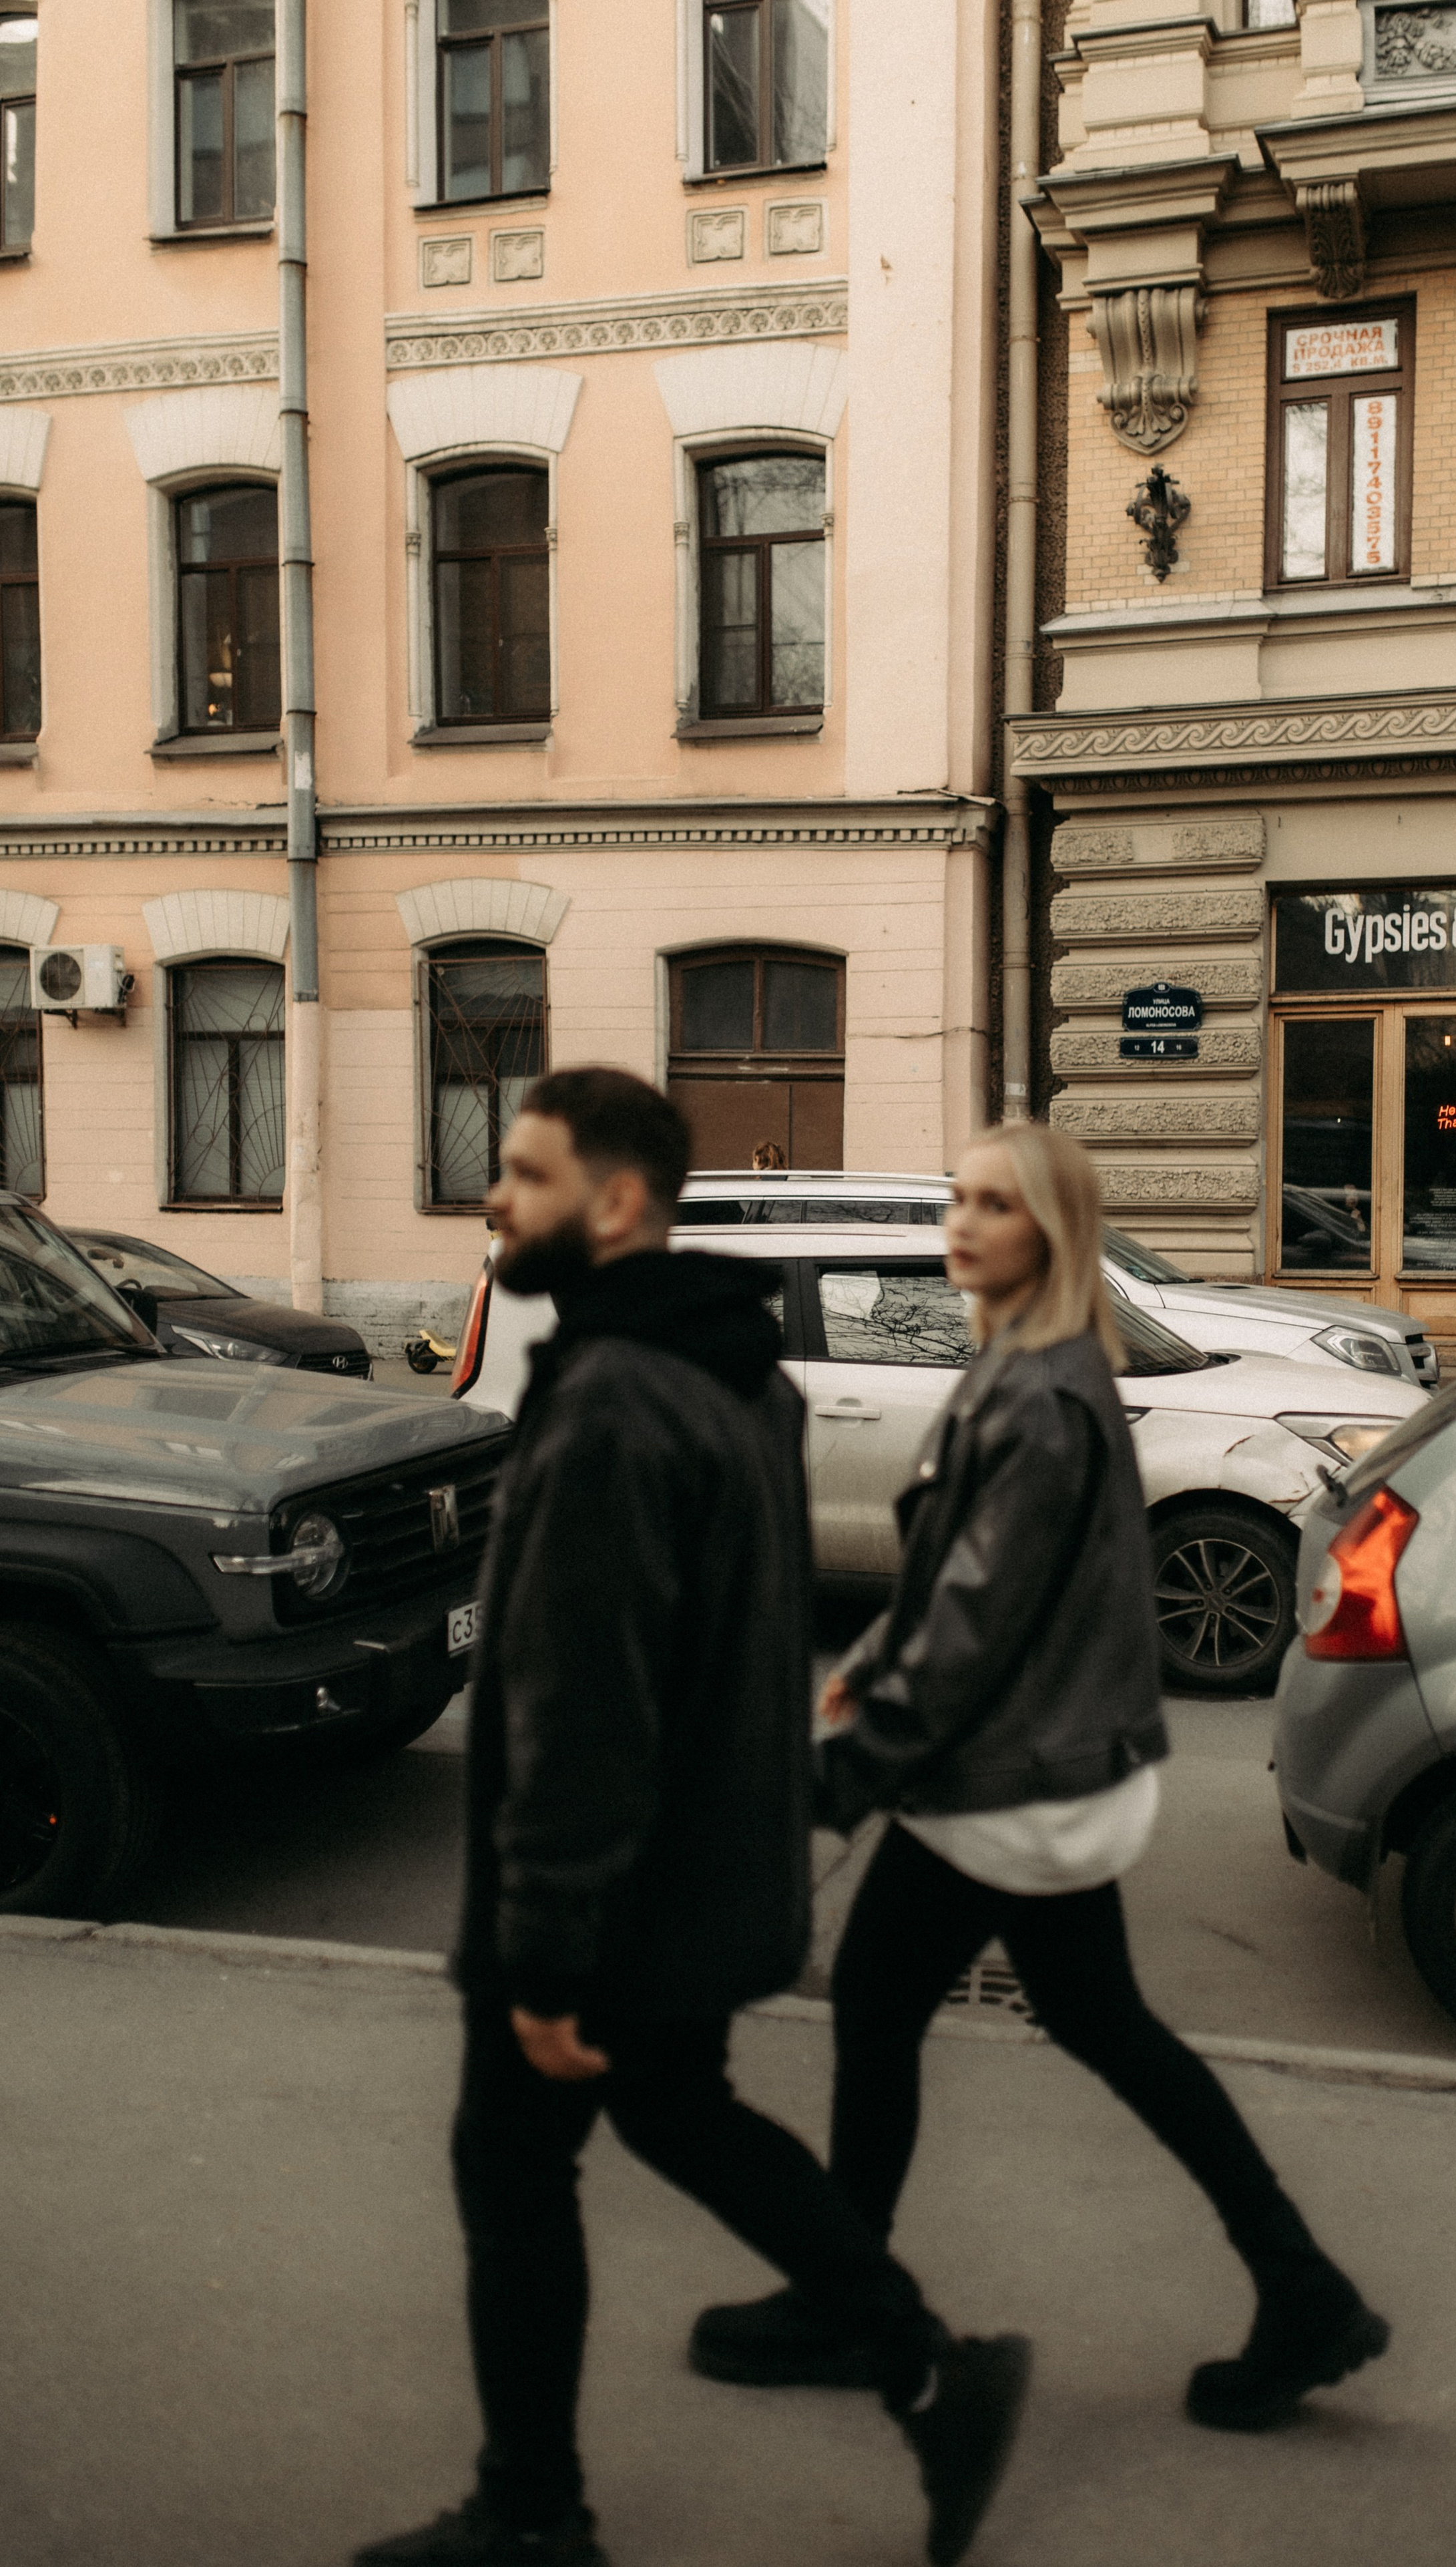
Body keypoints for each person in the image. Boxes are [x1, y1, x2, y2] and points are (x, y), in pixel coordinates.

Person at [354, 1068, 1029, 2567]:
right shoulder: (737, 1370)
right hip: (706, 1867)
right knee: (678, 2109)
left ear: (614, 1200)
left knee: (512, 2175)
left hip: (607, 1895)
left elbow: (580, 1707)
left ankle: (532, 2511)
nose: (491, 1199)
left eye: (521, 1175)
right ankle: (932, 2366)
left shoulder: (608, 1402)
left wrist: (540, 1954)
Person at [690, 1119, 1390, 2435]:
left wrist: (834, 1780)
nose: (961, 1220)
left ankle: (857, 2299)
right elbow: (964, 1584)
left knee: (896, 2007)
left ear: (1049, 1232)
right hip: (1031, 1767)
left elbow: (974, 1625)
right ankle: (1298, 2286)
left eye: (994, 1204)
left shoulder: (1040, 1395)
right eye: (957, 1196)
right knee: (1074, 2023)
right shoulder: (1021, 1363)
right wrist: (883, 1654)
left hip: (1008, 1781)